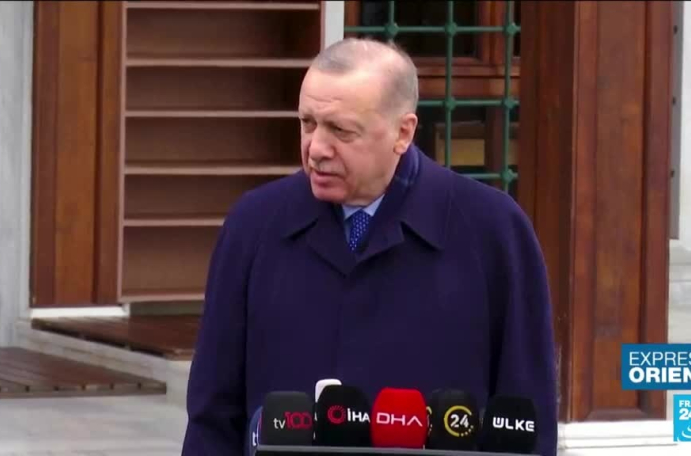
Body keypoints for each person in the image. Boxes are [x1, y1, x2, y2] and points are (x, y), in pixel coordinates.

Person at [181, 37, 557, 456]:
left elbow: (528, 416)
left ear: (403, 132)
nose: (316, 149)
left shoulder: (494, 231)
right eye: (308, 123)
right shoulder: (253, 225)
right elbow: (212, 413)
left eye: (341, 130)